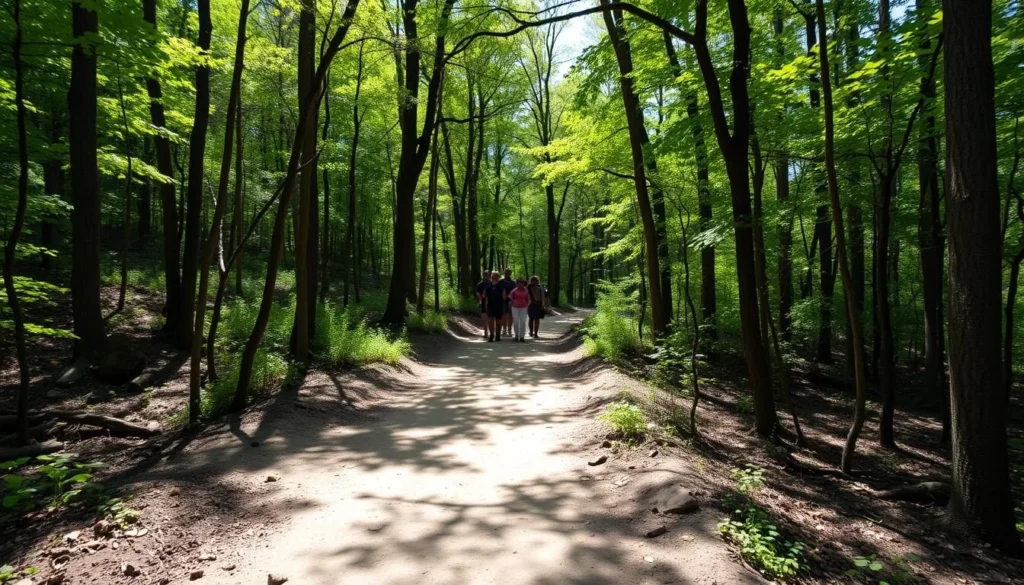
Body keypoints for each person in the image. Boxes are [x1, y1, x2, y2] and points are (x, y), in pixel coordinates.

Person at [482, 271, 506, 342]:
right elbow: (484, 297)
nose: (494, 278)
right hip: (490, 306)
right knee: (490, 322)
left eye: (496, 276)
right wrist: (486, 307)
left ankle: (498, 335)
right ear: (491, 277)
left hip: (499, 306)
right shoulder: (487, 287)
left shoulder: (501, 286)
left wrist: (504, 294)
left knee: (499, 322)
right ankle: (491, 335)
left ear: (498, 278)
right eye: (493, 276)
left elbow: (504, 297)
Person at [499, 269, 516, 336]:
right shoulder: (501, 282)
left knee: (510, 315)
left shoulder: (513, 283)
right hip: (502, 301)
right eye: (506, 273)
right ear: (504, 273)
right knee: (504, 315)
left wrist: (511, 300)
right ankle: (504, 329)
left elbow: (515, 292)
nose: (507, 274)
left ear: (510, 274)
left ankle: (509, 329)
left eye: (509, 273)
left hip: (511, 301)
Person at [475, 272, 491, 337]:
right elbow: (477, 293)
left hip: (492, 302)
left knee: (491, 317)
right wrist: (480, 300)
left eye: (487, 275)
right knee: (484, 317)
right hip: (483, 302)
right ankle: (486, 331)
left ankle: (492, 331)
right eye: (485, 275)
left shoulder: (491, 283)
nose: (486, 276)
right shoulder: (480, 284)